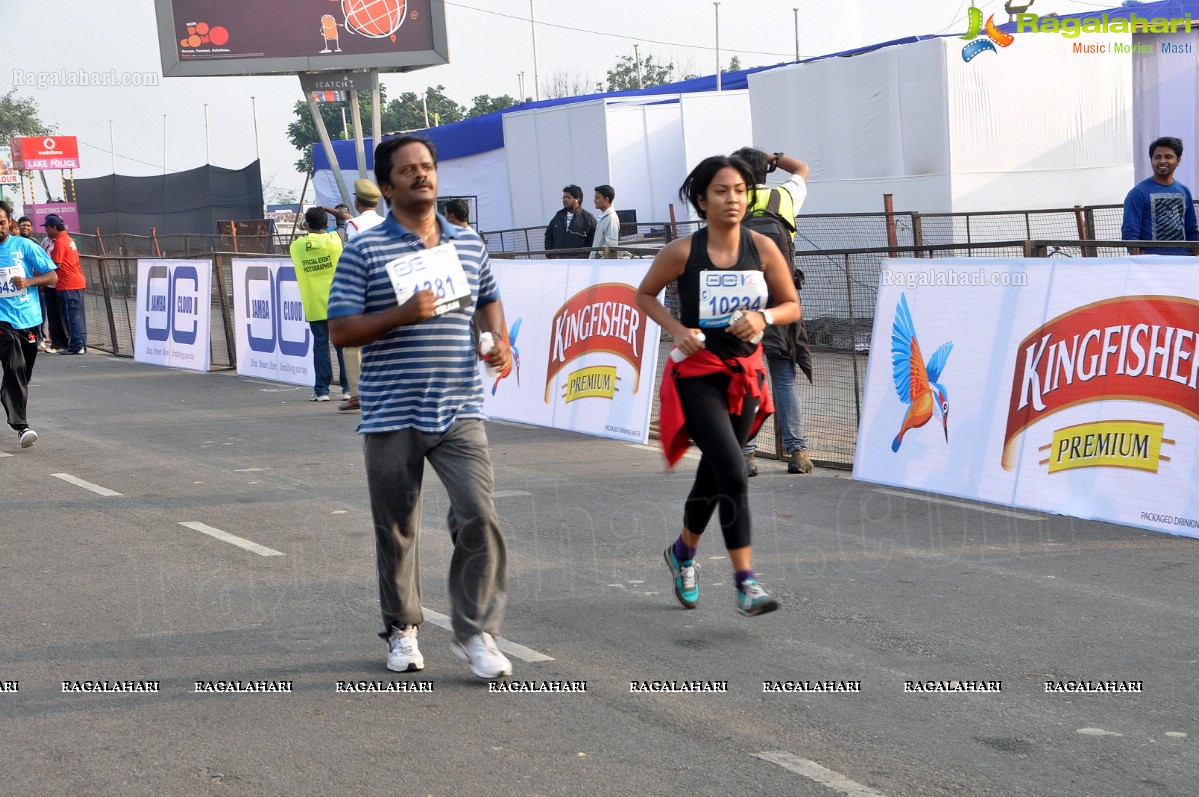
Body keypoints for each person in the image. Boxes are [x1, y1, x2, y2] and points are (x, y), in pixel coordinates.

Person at [328, 135, 515, 679]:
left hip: (459, 406)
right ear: (387, 187)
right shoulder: (364, 250)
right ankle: (402, 629)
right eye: (407, 170)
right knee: (396, 527)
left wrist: (498, 340)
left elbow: (488, 301)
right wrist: (402, 314)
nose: (421, 175)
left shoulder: (467, 243)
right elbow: (340, 330)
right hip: (391, 410)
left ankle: (476, 632)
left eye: (427, 167)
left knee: (479, 518)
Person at [636, 155, 800, 616]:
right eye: (722, 190)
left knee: (714, 473)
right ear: (702, 198)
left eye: (740, 191)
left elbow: (791, 304)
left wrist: (762, 316)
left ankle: (683, 552)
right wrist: (676, 328)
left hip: (744, 377)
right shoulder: (683, 251)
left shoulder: (764, 247)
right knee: (732, 470)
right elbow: (643, 294)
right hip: (698, 375)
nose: (733, 199)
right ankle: (746, 582)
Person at [732, 147, 816, 476]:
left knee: (746, 381)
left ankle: (745, 454)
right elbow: (803, 167)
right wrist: (775, 157)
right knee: (784, 380)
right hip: (780, 305)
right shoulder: (784, 196)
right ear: (766, 170)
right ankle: (798, 452)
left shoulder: (731, 202)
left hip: (740, 308)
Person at [0, 202, 58, 448]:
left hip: (30, 320)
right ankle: (21, 426)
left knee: (22, 373)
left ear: (9, 222)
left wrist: (28, 281)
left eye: (0, 222)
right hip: (3, 321)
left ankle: (9, 398)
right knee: (13, 364)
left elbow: (53, 276)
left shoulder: (24, 246)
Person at [290, 206, 349, 402]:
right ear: (326, 224)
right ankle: (348, 388)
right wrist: (329, 210)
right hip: (338, 302)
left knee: (320, 346)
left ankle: (322, 390)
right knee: (342, 346)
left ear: (307, 225)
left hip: (314, 304)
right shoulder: (335, 240)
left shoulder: (297, 246)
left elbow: (302, 231)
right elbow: (343, 220)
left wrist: (305, 225)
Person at [340, 178, 385, 411]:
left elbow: (350, 258)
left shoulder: (353, 226)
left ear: (357, 202)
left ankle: (357, 394)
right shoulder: (387, 223)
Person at [1122, 136, 1199, 256]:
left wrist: (1193, 259)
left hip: (1182, 263)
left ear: (1178, 160)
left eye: (1168, 157)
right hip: (1150, 265)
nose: (1162, 161)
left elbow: (1192, 229)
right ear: (1151, 161)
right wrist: (1139, 261)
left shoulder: (1184, 191)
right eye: (1157, 157)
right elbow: (1130, 233)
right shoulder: (1137, 193)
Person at [43, 214, 86, 354]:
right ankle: (80, 344)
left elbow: (56, 264)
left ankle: (75, 346)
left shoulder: (60, 242)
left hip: (68, 284)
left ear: (53, 227)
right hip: (76, 282)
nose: (46, 231)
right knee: (76, 315)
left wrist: (42, 275)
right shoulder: (68, 238)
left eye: (47, 228)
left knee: (70, 316)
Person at [543, 184, 596, 258]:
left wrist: (586, 256)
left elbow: (593, 240)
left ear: (577, 199)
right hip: (558, 262)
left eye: (568, 197)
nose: (565, 200)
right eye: (563, 197)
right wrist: (550, 254)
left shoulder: (588, 218)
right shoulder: (558, 216)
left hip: (579, 263)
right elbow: (549, 235)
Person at [589, 184, 620, 258]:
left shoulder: (611, 217)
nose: (594, 200)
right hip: (598, 262)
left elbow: (611, 243)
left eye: (597, 198)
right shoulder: (603, 216)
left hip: (603, 264)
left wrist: (598, 254)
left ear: (606, 199)